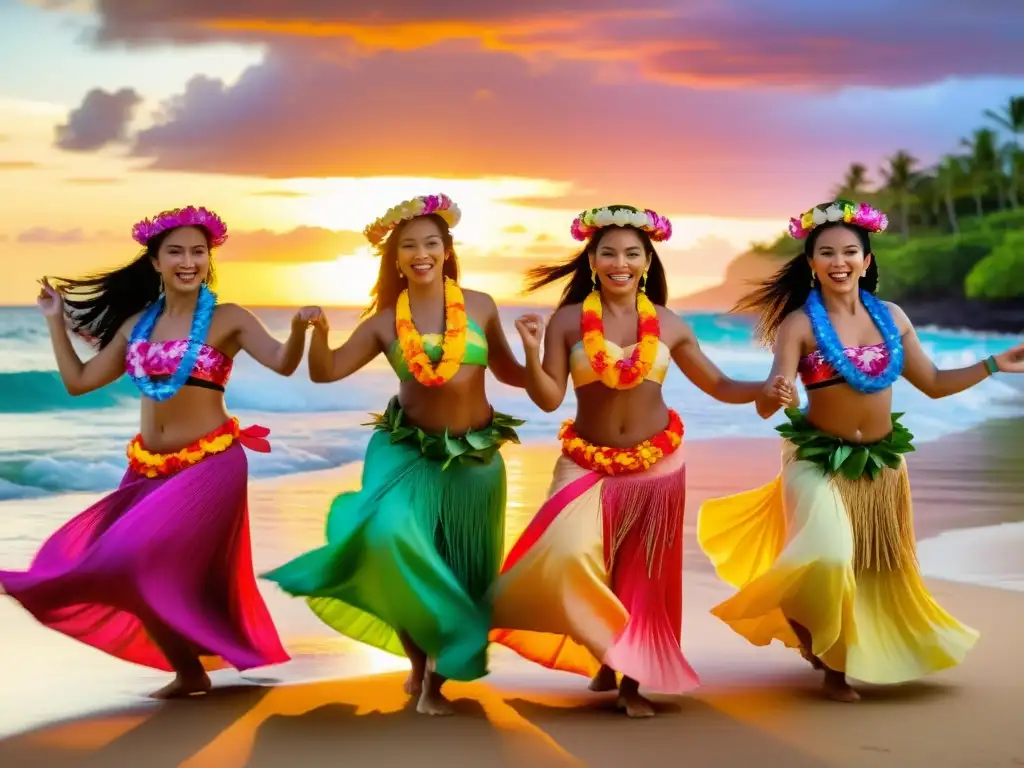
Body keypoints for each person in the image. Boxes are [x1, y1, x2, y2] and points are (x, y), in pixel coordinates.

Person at [697, 199, 1024, 702]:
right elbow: (769, 400)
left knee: (871, 570)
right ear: (811, 263)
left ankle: (835, 665)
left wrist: (993, 364)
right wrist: (772, 394)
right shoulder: (799, 326)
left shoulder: (892, 316)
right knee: (825, 555)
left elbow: (933, 383)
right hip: (816, 461)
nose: (839, 261)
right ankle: (818, 642)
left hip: (881, 465)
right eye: (826, 252)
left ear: (867, 261)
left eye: (850, 251)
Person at [0, 205, 321, 698]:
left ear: (208, 259)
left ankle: (194, 666)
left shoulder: (229, 318)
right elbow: (79, 382)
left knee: (134, 559)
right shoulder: (136, 325)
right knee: (124, 565)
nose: (188, 260)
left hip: (211, 465)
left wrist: (300, 329)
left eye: (198, 251)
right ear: (155, 261)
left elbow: (282, 361)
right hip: (147, 469)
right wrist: (54, 322)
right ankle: (188, 670)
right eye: (176, 252)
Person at [489, 204, 795, 717]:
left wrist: (766, 389)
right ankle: (606, 649)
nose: (619, 262)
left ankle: (631, 680)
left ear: (647, 261)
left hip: (657, 465)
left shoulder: (670, 325)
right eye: (607, 252)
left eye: (632, 253)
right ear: (591, 260)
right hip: (585, 462)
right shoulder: (567, 321)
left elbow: (717, 383)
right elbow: (547, 398)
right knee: (566, 554)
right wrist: (530, 347)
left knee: (642, 578)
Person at [261, 193, 527, 716]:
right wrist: (316, 333)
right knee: (397, 551)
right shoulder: (386, 321)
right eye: (409, 245)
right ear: (396, 257)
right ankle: (421, 677)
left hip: (474, 463)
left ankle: (436, 672)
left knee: (462, 575)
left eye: (431, 243)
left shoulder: (480, 306)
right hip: (405, 453)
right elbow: (326, 371)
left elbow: (513, 374)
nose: (421, 253)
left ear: (447, 250)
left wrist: (540, 350)